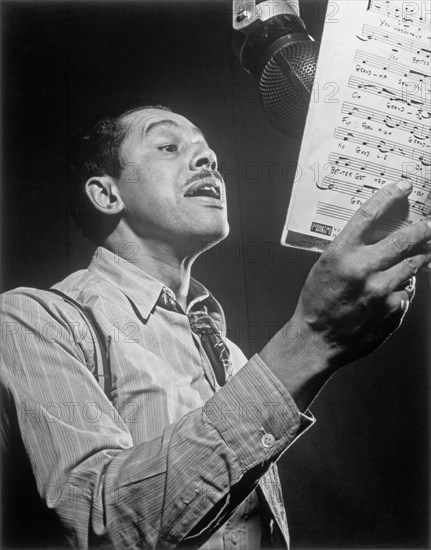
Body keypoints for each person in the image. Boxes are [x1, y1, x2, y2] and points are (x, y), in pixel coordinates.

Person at [1, 104, 429, 550]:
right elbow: (99, 523)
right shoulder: (32, 320)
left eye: (210, 155)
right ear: (107, 195)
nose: (208, 160)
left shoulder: (232, 355)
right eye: (169, 146)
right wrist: (310, 342)